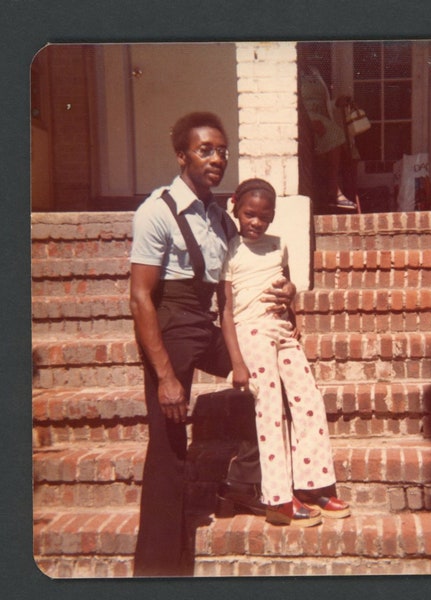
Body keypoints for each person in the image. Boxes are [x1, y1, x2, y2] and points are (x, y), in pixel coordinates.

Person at [129, 113, 296, 576]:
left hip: (212, 322)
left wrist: (289, 294)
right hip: (170, 325)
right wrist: (165, 377)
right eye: (205, 150)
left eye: (222, 150)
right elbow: (141, 297)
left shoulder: (222, 219)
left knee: (266, 382)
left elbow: (239, 284)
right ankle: (158, 569)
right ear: (182, 155)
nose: (217, 158)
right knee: (168, 444)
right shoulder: (157, 211)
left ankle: (243, 483)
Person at [218, 178, 351, 527]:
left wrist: (294, 312)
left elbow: (287, 289)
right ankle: (277, 498)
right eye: (250, 214)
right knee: (270, 407)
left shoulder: (279, 246)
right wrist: (235, 361)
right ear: (235, 208)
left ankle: (311, 485)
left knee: (308, 399)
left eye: (265, 216)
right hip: (250, 331)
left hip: (280, 330)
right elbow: (226, 310)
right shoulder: (228, 251)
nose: (257, 223)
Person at [299, 65, 358, 212]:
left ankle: (334, 192)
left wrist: (337, 102)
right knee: (336, 134)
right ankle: (333, 191)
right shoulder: (292, 71)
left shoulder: (314, 71)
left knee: (345, 144)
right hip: (305, 121)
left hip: (322, 120)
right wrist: (308, 121)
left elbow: (323, 103)